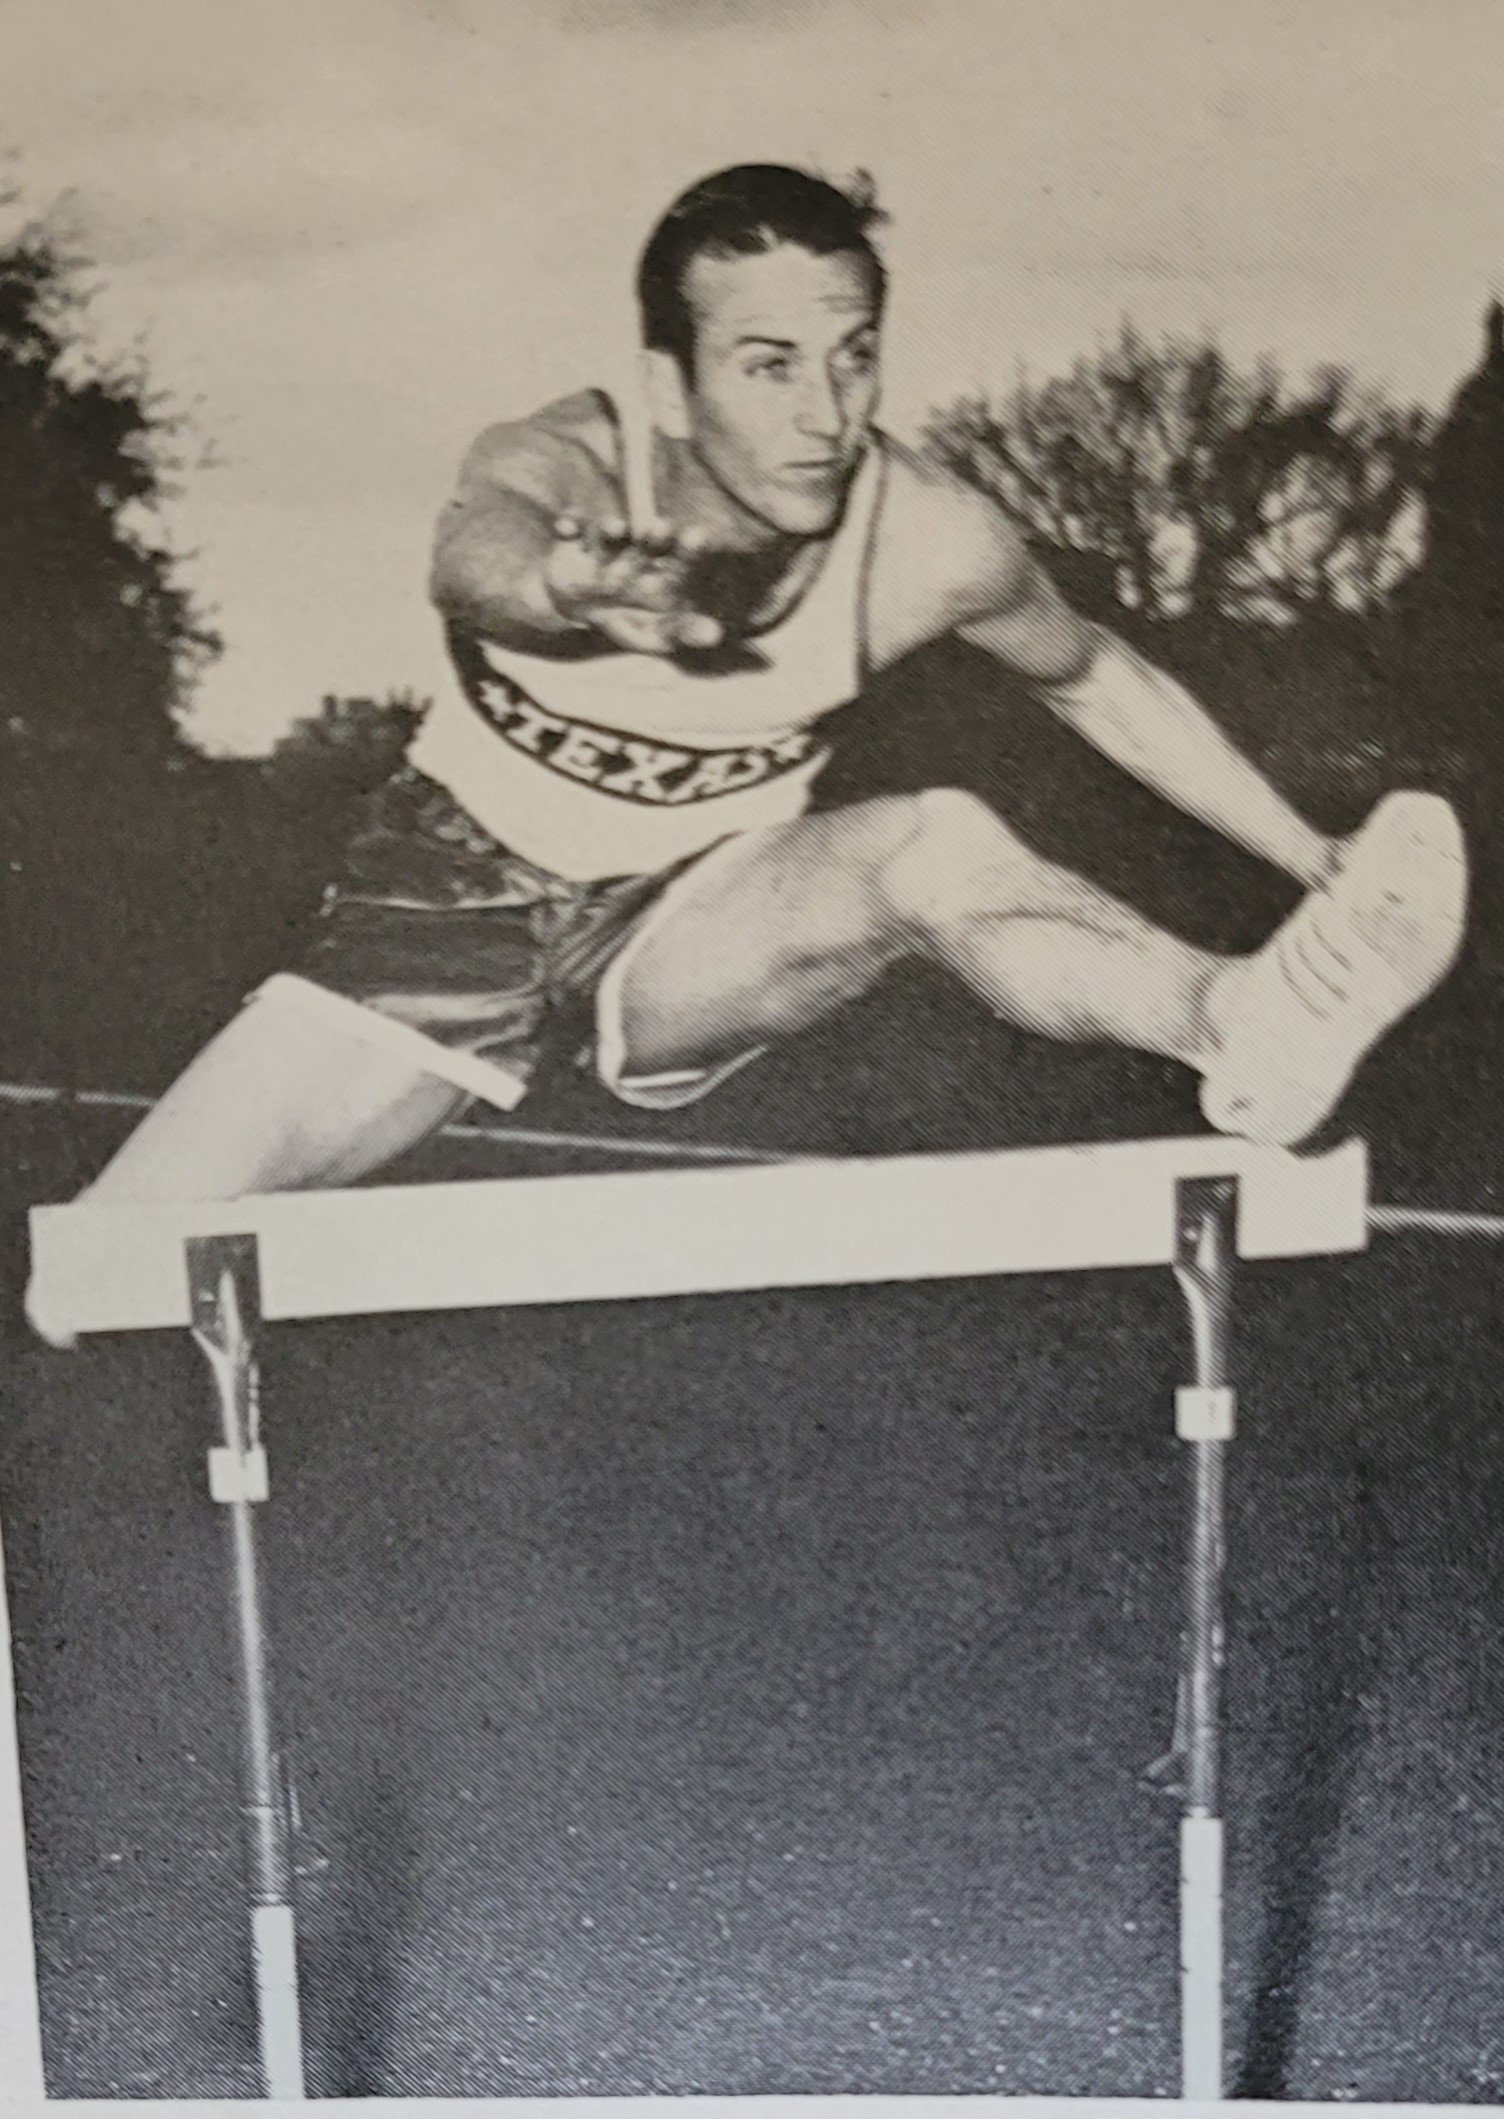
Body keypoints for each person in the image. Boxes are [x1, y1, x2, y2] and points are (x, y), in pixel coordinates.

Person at [26, 164, 1466, 1343]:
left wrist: (1318, 863)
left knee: (936, 843)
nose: (825, 417)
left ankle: (1231, 1018)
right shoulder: (574, 461)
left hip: (696, 925)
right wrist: (571, 592)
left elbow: (1103, 680)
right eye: (769, 368)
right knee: (93, 1278)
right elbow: (475, 554)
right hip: (437, 921)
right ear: (671, 380)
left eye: (853, 360)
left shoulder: (929, 539)